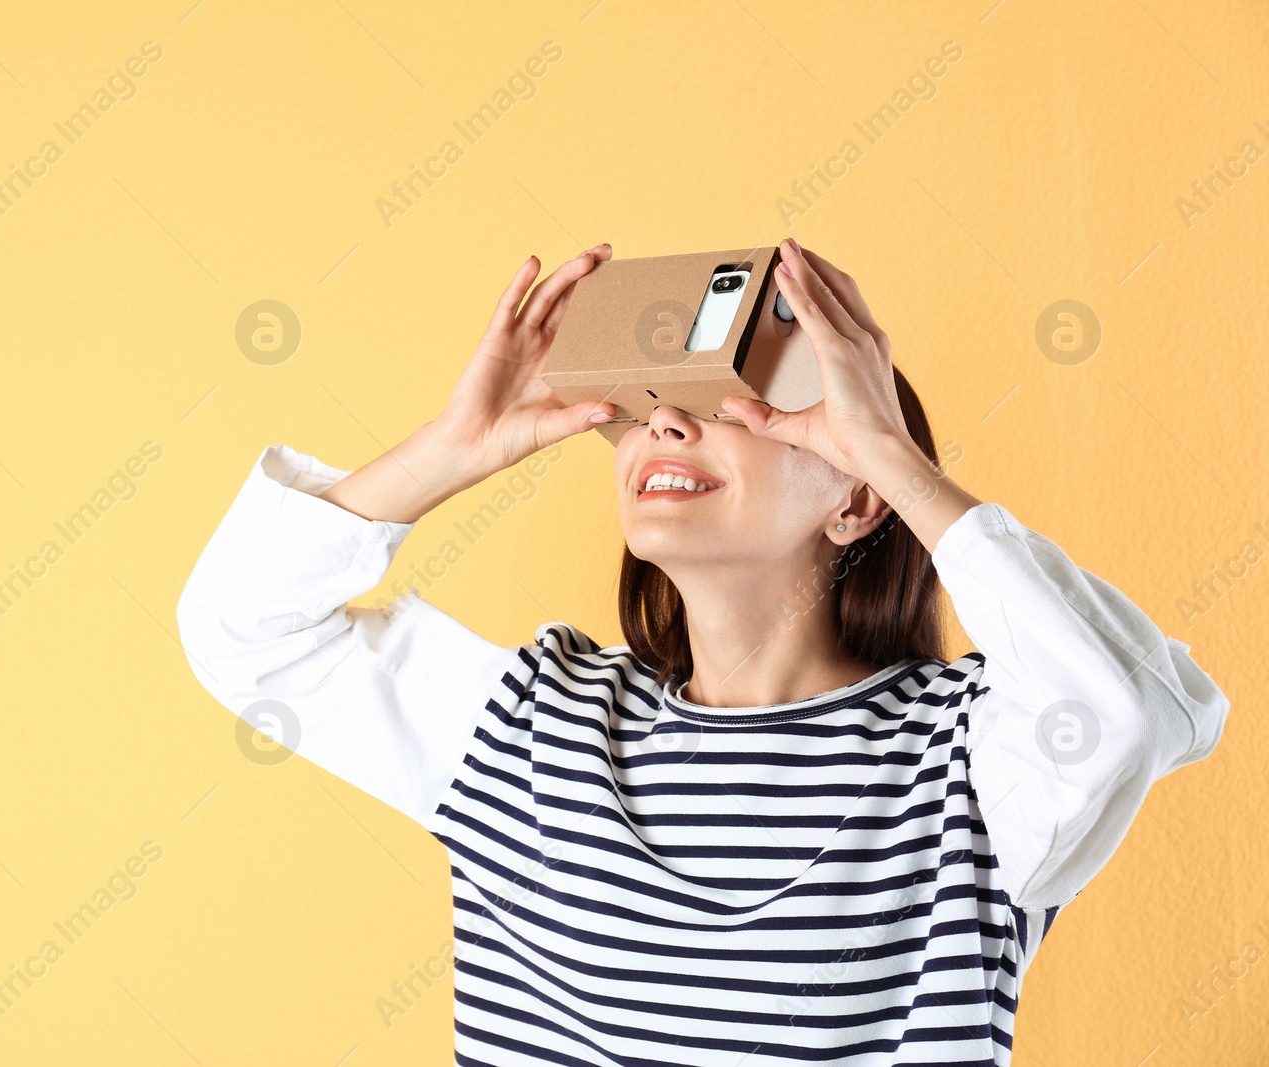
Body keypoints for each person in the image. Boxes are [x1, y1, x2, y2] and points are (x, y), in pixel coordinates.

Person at [175, 238, 1230, 1066]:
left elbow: (1130, 708)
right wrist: (447, 450)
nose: (664, 427)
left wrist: (899, 462)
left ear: (855, 492)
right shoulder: (528, 725)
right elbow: (244, 627)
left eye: (745, 401)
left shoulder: (966, 761)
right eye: (643, 405)